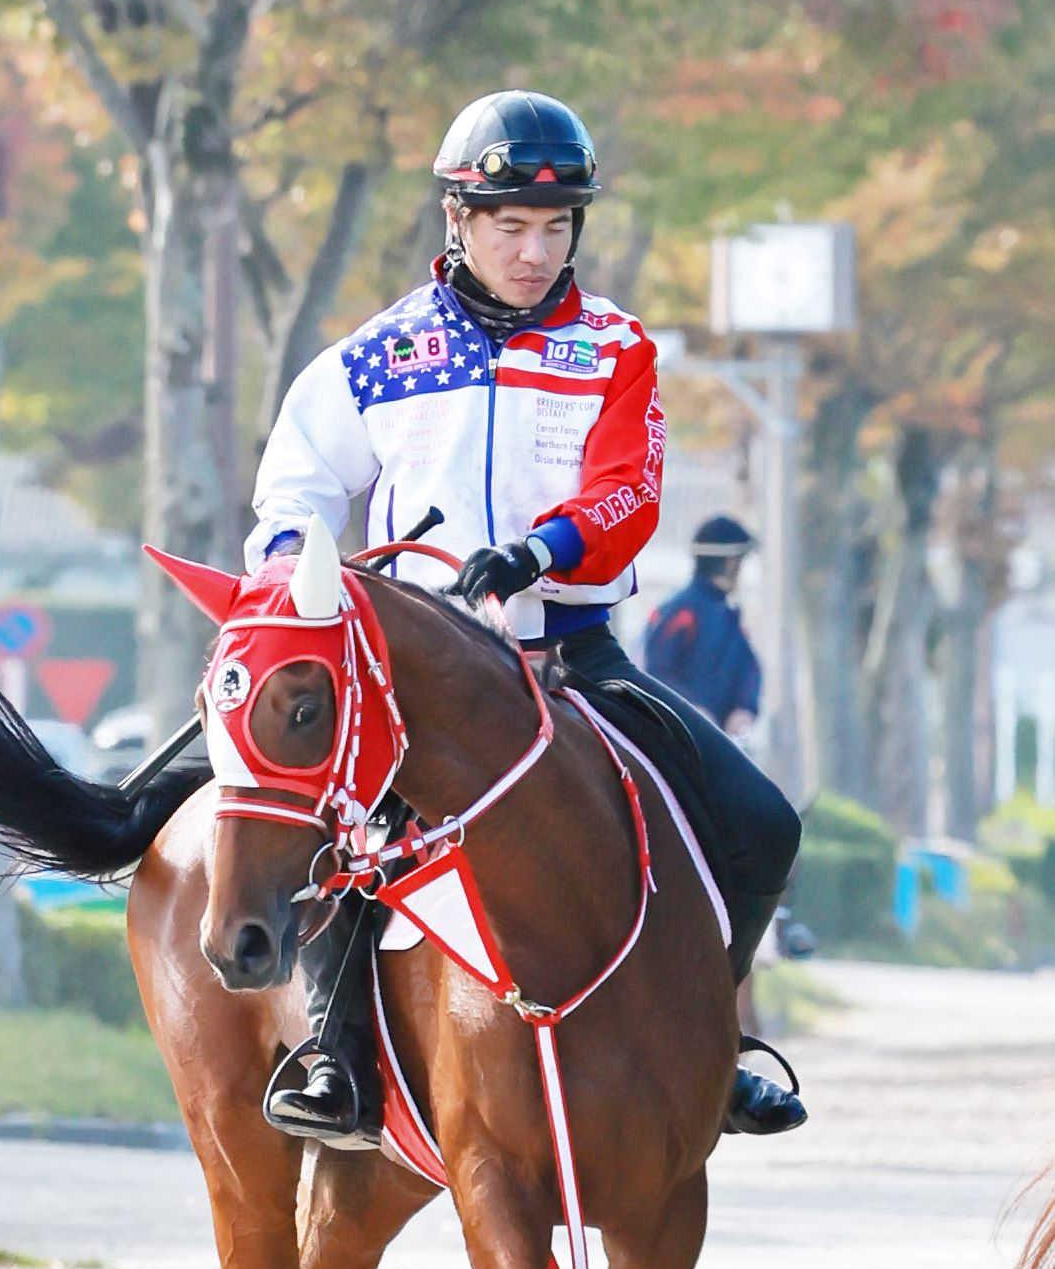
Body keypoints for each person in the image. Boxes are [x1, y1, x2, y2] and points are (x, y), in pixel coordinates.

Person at [245, 89, 806, 1146]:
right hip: (409, 670)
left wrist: (540, 552)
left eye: (556, 227)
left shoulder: (616, 350)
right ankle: (331, 1047)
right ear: (457, 221)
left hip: (572, 655)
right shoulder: (375, 357)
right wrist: (296, 581)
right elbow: (296, 491)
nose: (535, 250)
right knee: (325, 822)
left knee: (761, 819)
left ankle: (714, 1041)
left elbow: (627, 493)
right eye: (510, 226)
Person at [643, 515, 761, 736]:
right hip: (681, 738)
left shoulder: (728, 613)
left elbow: (749, 669)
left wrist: (745, 708)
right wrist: (691, 710)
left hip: (720, 739)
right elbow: (657, 672)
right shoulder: (681, 611)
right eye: (739, 561)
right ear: (729, 563)